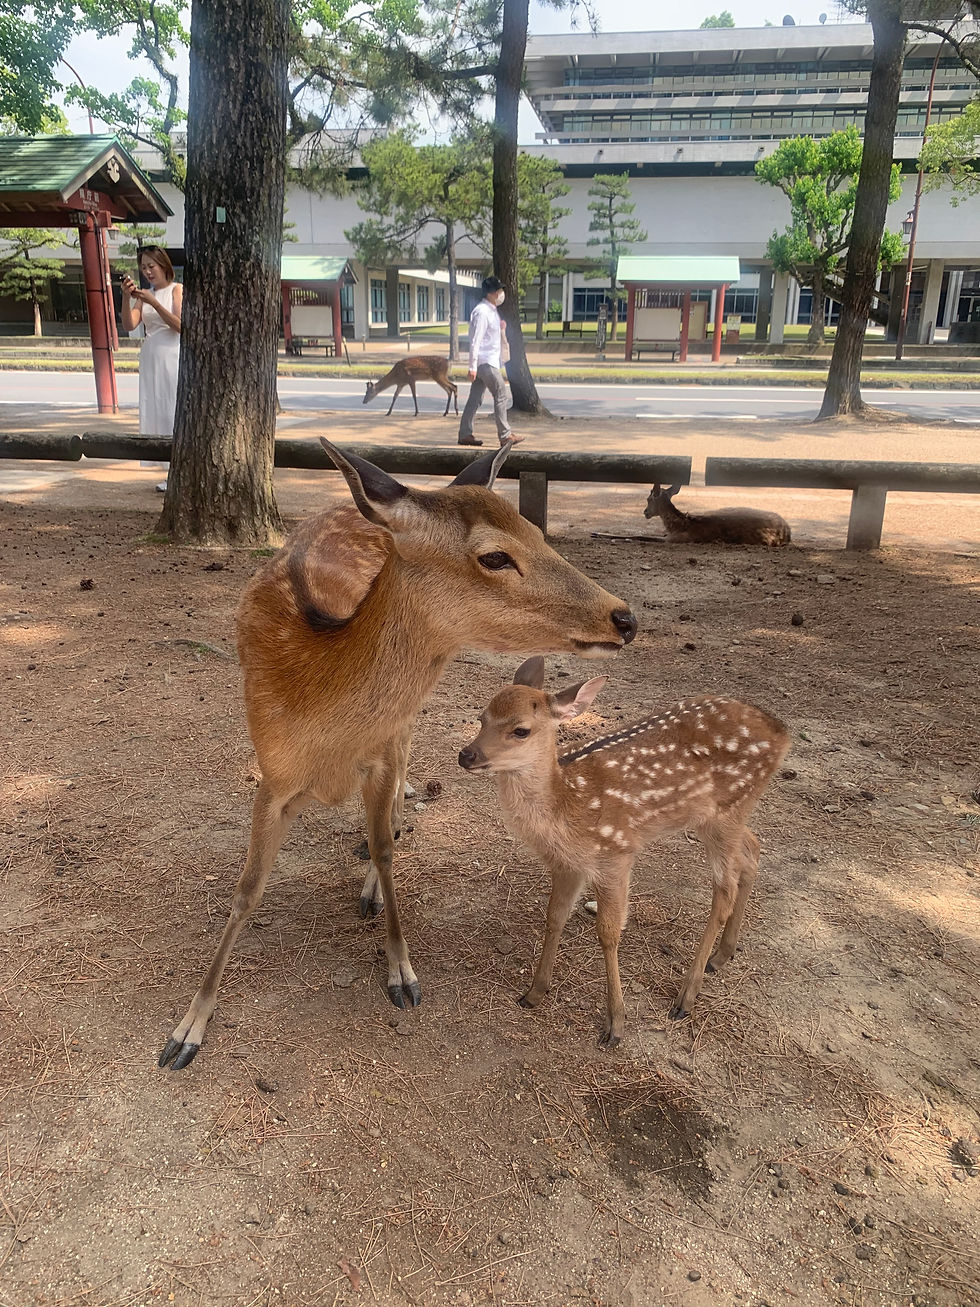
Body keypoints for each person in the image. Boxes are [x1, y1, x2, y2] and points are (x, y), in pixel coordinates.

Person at [120, 246, 182, 491]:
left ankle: (179, 469)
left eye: (151, 266)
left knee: (172, 409)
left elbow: (180, 325)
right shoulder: (145, 295)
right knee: (156, 410)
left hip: (172, 354)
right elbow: (130, 324)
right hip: (151, 356)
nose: (147, 272)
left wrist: (155, 304)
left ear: (163, 265)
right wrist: (127, 297)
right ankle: (168, 470)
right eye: (143, 268)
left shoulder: (176, 290)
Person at [458, 275, 523, 447]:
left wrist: (501, 328)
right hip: (485, 362)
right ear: (493, 293)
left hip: (487, 361)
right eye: (500, 290)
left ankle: (465, 433)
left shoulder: (491, 311)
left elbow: (488, 337)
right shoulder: (482, 312)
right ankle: (505, 435)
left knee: (475, 399)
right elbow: (475, 340)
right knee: (501, 394)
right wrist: (472, 366)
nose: (502, 294)